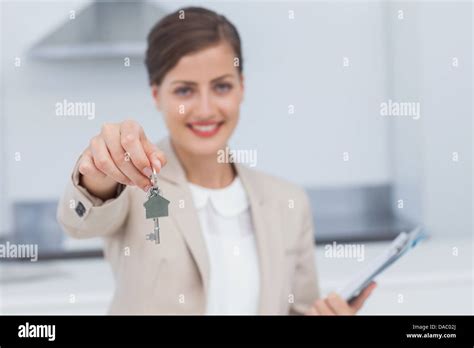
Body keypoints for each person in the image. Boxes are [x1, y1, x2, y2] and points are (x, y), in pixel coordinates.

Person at [57, 6, 376, 315]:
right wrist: (99, 170)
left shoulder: (288, 203)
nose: (206, 109)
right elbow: (78, 222)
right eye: (185, 91)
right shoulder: (133, 181)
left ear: (241, 88)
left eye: (222, 86)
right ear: (157, 96)